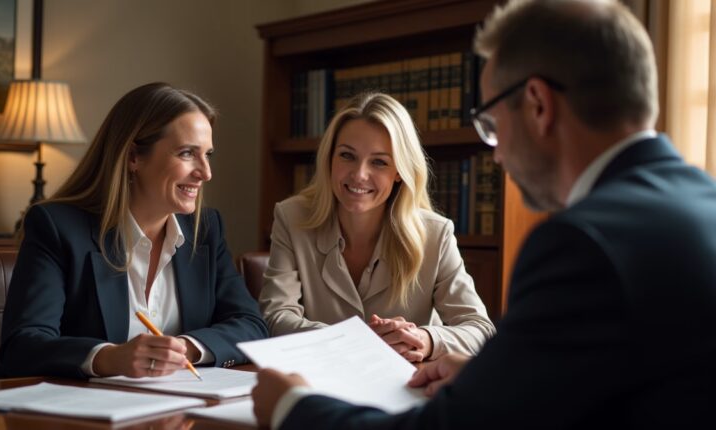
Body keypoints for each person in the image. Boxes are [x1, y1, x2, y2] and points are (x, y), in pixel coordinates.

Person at [251, 0, 716, 428]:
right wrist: (484, 376)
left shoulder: (583, 243)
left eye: (492, 123)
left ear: (537, 104)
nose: (496, 157)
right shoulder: (701, 203)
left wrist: (294, 408)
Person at [0, 82, 268, 379]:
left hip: (183, 410)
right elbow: (22, 347)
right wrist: (108, 358)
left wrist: (184, 348)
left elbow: (250, 324)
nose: (205, 173)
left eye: (208, 155)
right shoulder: (57, 226)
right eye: (187, 153)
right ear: (133, 157)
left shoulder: (206, 229)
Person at [259, 92, 495, 363]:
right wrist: (356, 341)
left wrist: (426, 340)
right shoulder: (291, 218)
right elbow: (275, 317)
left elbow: (480, 329)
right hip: (319, 381)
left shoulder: (436, 234)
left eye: (379, 162)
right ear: (329, 159)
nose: (359, 174)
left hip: (406, 386)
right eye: (347, 155)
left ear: (399, 171)